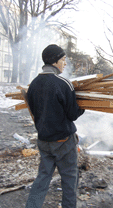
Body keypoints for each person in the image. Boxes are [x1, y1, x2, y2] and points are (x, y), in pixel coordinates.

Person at [25, 44, 85, 208]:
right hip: (64, 142)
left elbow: (34, 111)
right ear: (54, 61)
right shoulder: (64, 83)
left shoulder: (33, 84)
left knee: (43, 177)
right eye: (63, 60)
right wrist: (83, 106)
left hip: (44, 141)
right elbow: (73, 114)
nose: (65, 63)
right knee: (69, 179)